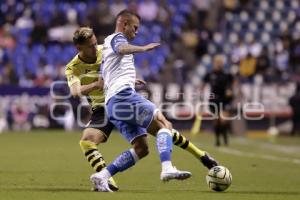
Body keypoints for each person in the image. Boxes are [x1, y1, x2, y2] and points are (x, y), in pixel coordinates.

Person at [66, 26, 217, 192]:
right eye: (90, 46)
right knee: (87, 141)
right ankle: (107, 180)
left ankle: (201, 155)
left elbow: (117, 69)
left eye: (95, 43)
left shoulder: (105, 49)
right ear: (79, 48)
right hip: (101, 110)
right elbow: (74, 92)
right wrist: (96, 84)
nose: (95, 48)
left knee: (159, 131)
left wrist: (129, 79)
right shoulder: (73, 67)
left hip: (120, 98)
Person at [202, 55, 234, 146]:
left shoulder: (227, 75)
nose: (219, 64)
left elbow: (231, 85)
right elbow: (203, 84)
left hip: (224, 99)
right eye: (217, 62)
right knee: (217, 121)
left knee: (223, 120)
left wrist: (230, 91)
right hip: (213, 100)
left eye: (220, 62)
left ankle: (225, 137)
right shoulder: (210, 74)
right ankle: (217, 140)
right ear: (214, 63)